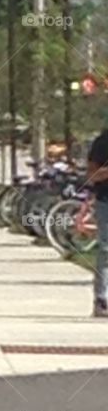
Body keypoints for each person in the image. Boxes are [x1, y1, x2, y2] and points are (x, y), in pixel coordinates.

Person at [86, 125, 108, 318]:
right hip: (105, 202)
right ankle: (102, 299)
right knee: (106, 249)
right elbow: (92, 175)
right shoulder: (102, 143)